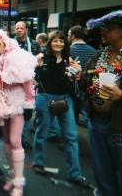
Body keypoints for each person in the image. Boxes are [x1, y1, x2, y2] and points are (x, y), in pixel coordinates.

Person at [82, 10, 122, 196]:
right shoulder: (98, 56)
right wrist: (79, 76)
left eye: (108, 29)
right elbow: (87, 82)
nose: (103, 32)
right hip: (96, 123)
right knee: (102, 176)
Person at [33, 31, 91, 188]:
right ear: (50, 43)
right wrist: (35, 73)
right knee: (42, 133)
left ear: (65, 43)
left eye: (61, 41)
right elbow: (31, 77)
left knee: (71, 137)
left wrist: (77, 73)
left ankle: (76, 174)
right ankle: (38, 161)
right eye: (55, 41)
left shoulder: (69, 61)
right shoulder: (41, 58)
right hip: (44, 98)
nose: (58, 43)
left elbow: (74, 81)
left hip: (65, 99)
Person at [0, 27, 36, 196]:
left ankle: (19, 183)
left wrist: (29, 101)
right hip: (1, 103)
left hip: (17, 102)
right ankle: (12, 177)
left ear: (4, 41)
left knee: (15, 140)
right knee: (5, 141)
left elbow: (27, 80)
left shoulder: (16, 56)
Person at [14, 21, 40, 150]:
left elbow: (39, 62)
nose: (19, 30)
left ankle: (22, 139)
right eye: (17, 28)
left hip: (30, 82)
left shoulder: (34, 44)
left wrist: (37, 79)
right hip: (14, 83)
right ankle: (15, 138)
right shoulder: (10, 44)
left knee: (27, 112)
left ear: (26, 30)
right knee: (15, 111)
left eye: (21, 28)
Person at [68, 25, 97, 126]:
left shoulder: (68, 50)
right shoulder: (93, 51)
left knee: (73, 111)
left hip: (73, 86)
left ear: (73, 36)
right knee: (86, 109)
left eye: (68, 35)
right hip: (88, 84)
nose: (68, 37)